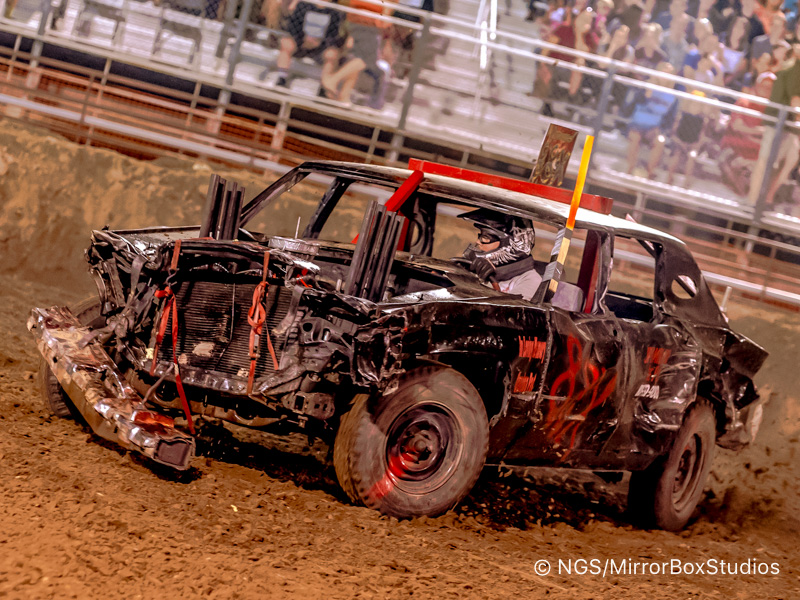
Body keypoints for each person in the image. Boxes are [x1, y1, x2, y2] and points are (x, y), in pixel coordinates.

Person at [458, 209, 541, 301]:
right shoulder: (480, 270)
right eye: (480, 236)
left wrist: (490, 282)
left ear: (509, 245)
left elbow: (507, 309)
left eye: (485, 237)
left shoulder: (530, 280)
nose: (478, 242)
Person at [718, 71, 777, 195]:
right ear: (757, 85)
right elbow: (737, 126)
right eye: (763, 85)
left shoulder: (772, 110)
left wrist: (755, 135)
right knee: (732, 164)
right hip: (734, 148)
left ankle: (747, 198)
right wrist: (759, 131)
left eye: (770, 87)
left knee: (761, 169)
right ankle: (741, 196)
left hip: (755, 155)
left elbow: (771, 136)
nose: (766, 89)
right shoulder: (744, 102)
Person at [275, 0, 345, 89]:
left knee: (332, 54)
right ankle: (282, 77)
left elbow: (333, 35)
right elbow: (292, 27)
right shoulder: (304, 5)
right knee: (286, 42)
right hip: (300, 43)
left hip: (321, 47)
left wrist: (319, 42)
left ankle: (324, 87)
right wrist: (303, 39)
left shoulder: (335, 12)